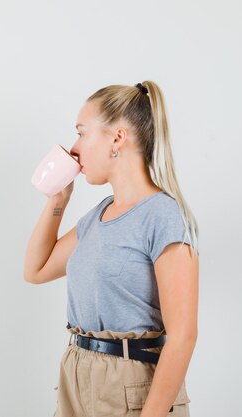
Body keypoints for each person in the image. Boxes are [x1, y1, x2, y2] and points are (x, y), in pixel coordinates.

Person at [23, 80, 200, 417]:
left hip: (131, 381)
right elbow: (35, 270)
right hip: (76, 372)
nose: (74, 148)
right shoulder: (98, 216)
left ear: (117, 138)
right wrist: (58, 200)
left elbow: (183, 336)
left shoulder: (162, 215)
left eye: (81, 133)